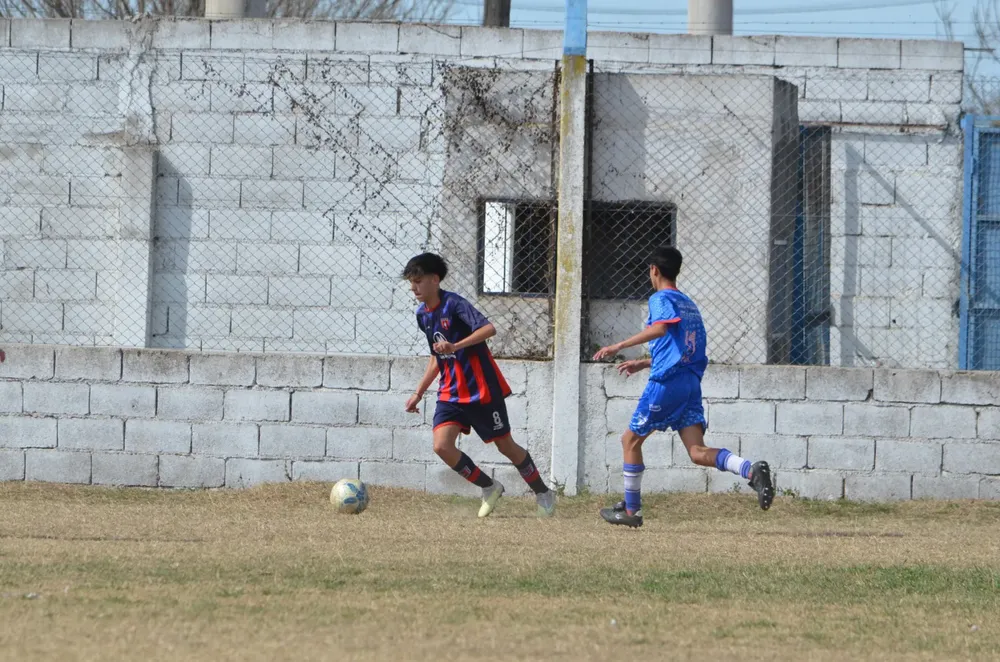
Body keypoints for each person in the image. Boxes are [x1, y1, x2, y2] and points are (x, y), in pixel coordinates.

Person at [593, 246, 774, 528]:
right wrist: (644, 363)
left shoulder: (661, 298)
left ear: (654, 270)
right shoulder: (688, 304)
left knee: (630, 440)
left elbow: (660, 329)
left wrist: (618, 345)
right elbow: (684, 348)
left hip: (668, 383)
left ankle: (631, 510)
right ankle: (750, 470)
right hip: (689, 384)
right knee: (697, 452)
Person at [402, 253, 556, 518]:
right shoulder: (422, 315)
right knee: (441, 446)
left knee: (505, 446)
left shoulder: (454, 304)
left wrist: (456, 345)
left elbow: (488, 329)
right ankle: (489, 486)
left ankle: (543, 493)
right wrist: (418, 392)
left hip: (480, 389)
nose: (413, 287)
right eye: (410, 282)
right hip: (450, 391)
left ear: (434, 280)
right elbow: (436, 357)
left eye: (418, 281)